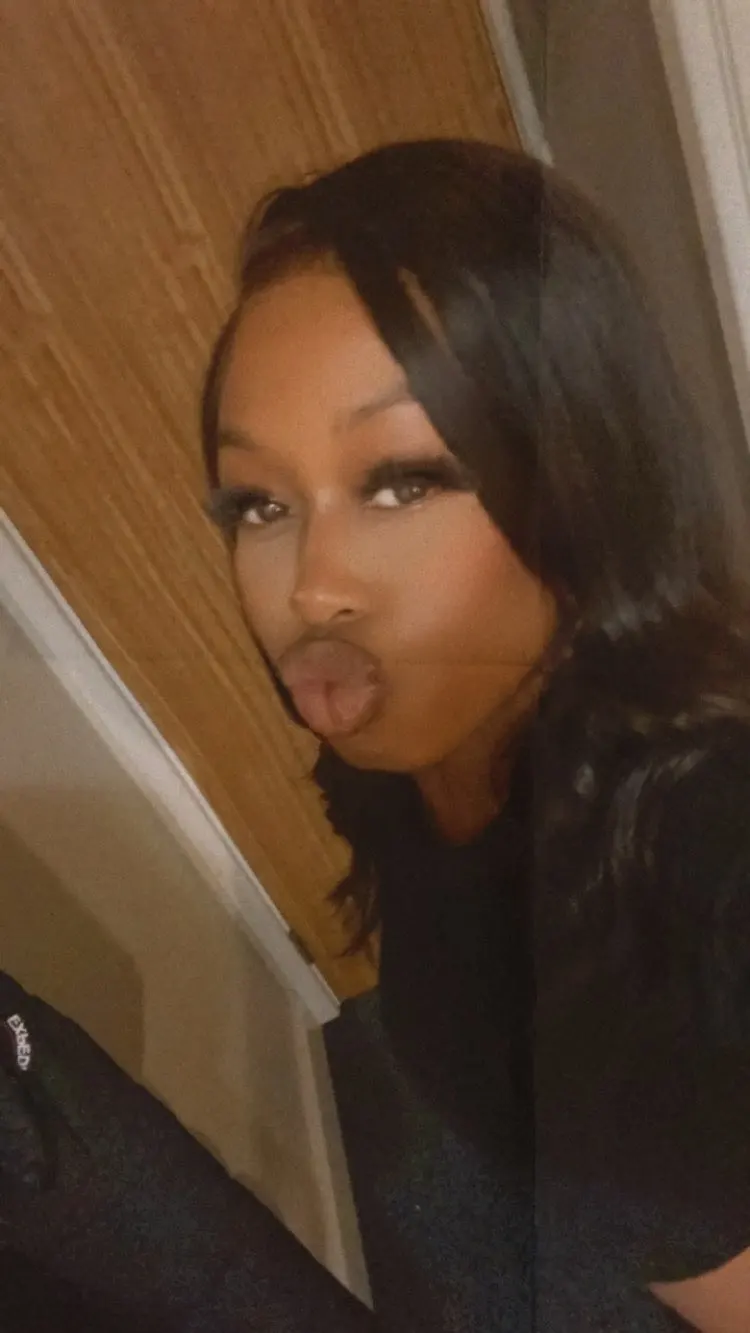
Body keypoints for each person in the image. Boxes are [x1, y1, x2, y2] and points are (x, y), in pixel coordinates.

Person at [2, 139, 750, 1330]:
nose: (310, 587)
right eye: (261, 502)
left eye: (401, 480)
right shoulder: (428, 761)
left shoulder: (686, 883)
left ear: (581, 482)